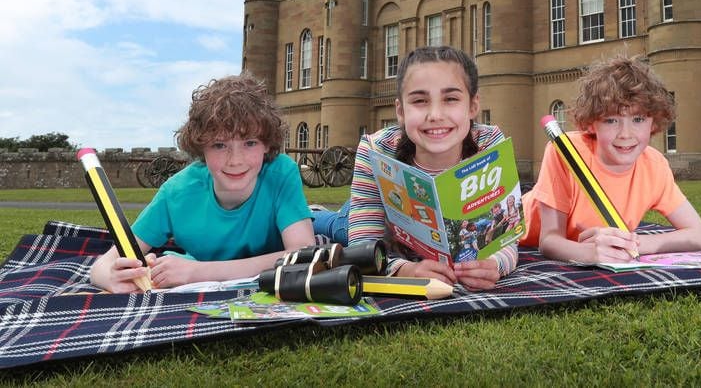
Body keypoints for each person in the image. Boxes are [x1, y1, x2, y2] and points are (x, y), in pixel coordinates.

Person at [313, 45, 516, 290]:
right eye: (420, 101)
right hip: (375, 219)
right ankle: (311, 213)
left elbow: (508, 237)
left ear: (473, 106)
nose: (435, 114)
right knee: (339, 227)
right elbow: (363, 245)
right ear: (400, 111)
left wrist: (495, 263)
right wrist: (405, 270)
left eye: (451, 99)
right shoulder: (376, 149)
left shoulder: (490, 145)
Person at [89, 74, 315, 293]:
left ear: (267, 145)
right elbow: (102, 266)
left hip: (287, 221)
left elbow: (304, 254)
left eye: (250, 142)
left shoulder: (281, 172)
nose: (235, 160)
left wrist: (198, 271)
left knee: (324, 228)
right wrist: (111, 277)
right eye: (219, 145)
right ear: (200, 148)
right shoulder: (176, 192)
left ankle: (316, 214)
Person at [520, 55, 701, 263]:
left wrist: (634, 244)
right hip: (517, 225)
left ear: (654, 123)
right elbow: (549, 241)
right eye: (611, 120)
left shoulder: (655, 166)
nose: (625, 134)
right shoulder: (564, 151)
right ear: (591, 123)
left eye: (638, 119)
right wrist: (589, 254)